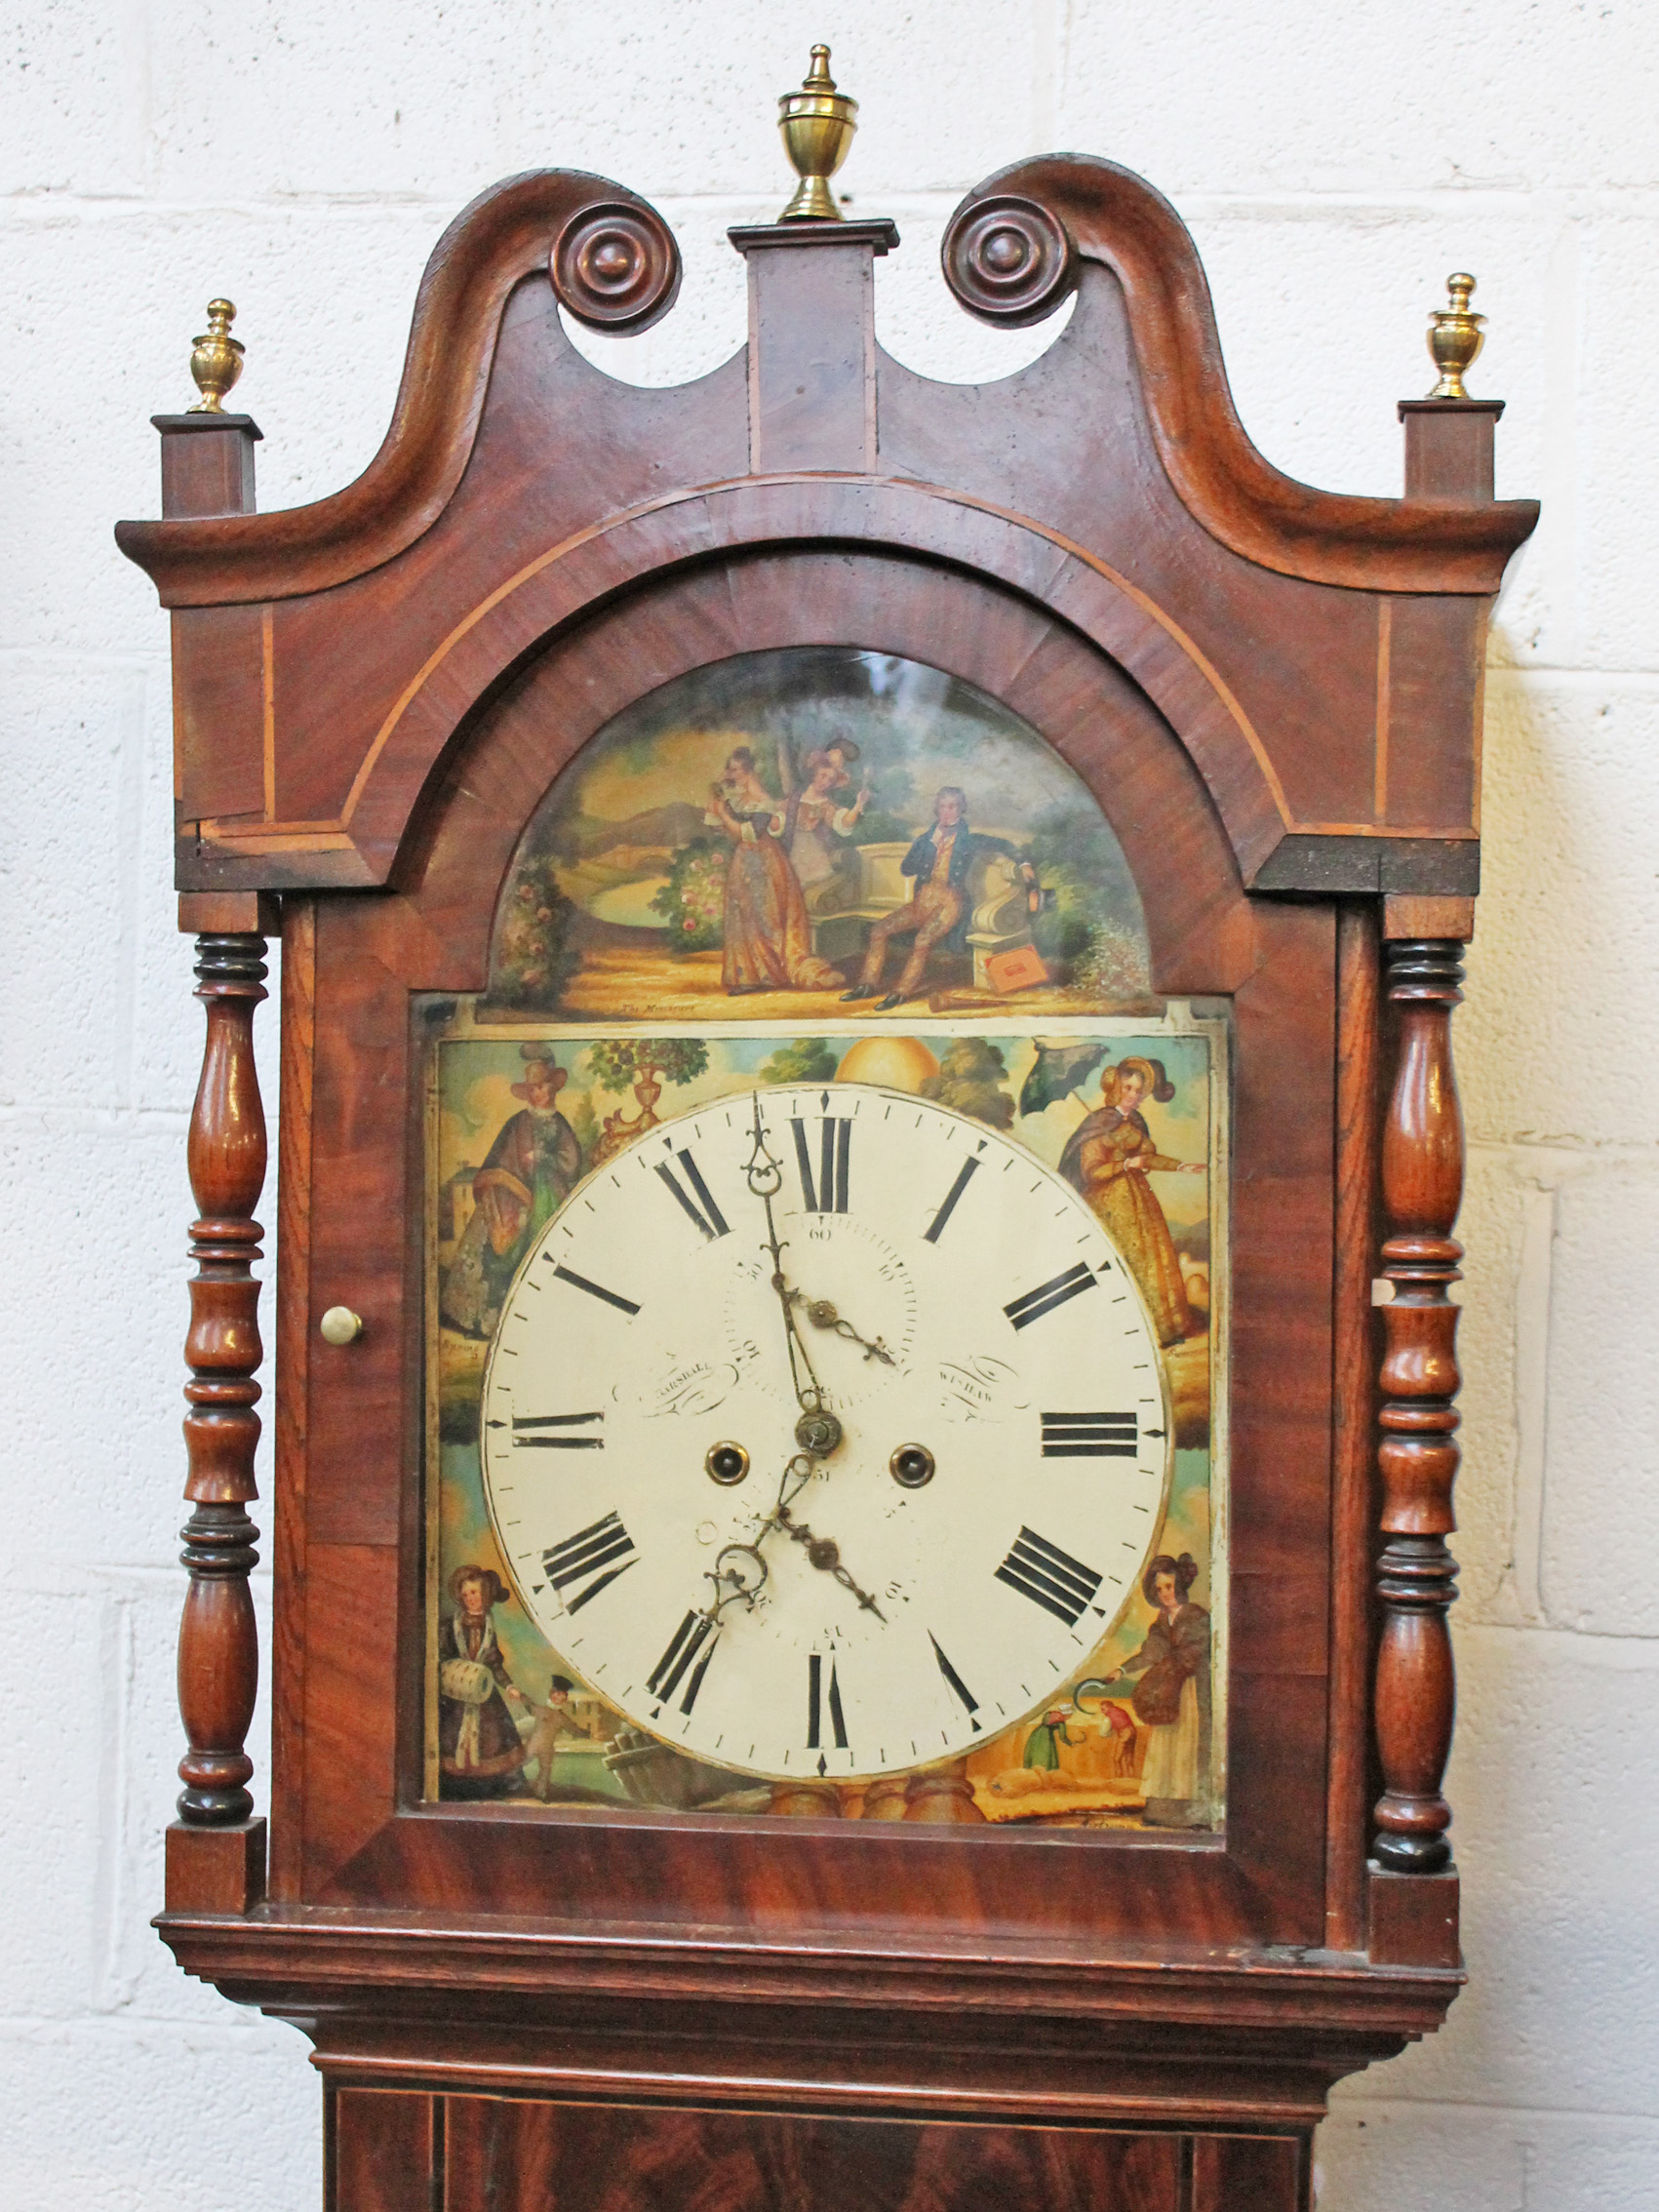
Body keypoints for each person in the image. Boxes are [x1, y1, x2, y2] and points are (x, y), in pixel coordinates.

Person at [842, 785, 1039, 1010]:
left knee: (922, 940)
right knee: (878, 931)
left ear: (961, 808)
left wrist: (1023, 864)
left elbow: (1004, 845)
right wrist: (930, 844)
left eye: (953, 806)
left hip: (950, 903)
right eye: (943, 806)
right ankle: (866, 985)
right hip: (923, 900)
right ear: (937, 809)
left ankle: (901, 992)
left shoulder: (969, 840)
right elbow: (907, 869)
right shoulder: (927, 839)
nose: (948, 811)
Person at [1057, 1056, 1204, 1347]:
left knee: (1150, 1262)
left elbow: (1146, 1159)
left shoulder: (1135, 1123)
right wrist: (1124, 1165)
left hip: (1139, 1203)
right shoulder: (1097, 1124)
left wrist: (1179, 1166)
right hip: (1107, 1206)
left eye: (1139, 1091)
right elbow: (1092, 1172)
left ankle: (1158, 1331)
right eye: (1128, 1088)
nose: (1134, 1096)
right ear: (1116, 1087)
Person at [440, 1049, 581, 1337]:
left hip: (548, 1195)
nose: (539, 1093)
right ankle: (484, 1321)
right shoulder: (516, 1122)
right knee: (495, 1245)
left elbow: (571, 1160)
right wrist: (516, 1174)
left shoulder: (559, 1124)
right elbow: (498, 1161)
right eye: (533, 1088)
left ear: (553, 1089)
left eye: (543, 1087)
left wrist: (544, 1158)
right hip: (511, 1195)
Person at [705, 746, 844, 995]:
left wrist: (724, 815)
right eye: (730, 769)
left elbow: (749, 833)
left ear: (747, 772)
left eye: (735, 769)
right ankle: (746, 976)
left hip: (765, 861)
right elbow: (718, 827)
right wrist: (718, 802)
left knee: (763, 917)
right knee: (742, 915)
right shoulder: (738, 799)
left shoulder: (763, 801)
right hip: (744, 861)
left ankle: (769, 973)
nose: (730, 773)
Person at [1088, 1555, 1211, 1828]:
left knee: (1186, 1746)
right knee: (1165, 1744)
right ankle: (1161, 1807)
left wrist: (1170, 1667)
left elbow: (1195, 1652)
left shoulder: (1196, 1616)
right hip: (1168, 1690)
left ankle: (1189, 1809)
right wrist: (1121, 1670)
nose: (1165, 1594)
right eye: (1159, 1589)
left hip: (1190, 1692)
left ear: (1178, 1584)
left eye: (1169, 1586)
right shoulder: (1161, 1622)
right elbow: (1150, 1653)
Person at [438, 1565, 532, 1798]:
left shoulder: (489, 1627)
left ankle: (499, 1783)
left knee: (495, 1736)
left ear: (486, 1596)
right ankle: (456, 1784)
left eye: (475, 1593)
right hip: (457, 1692)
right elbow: (442, 1656)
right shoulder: (450, 1626)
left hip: (484, 1690)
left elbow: (494, 1663)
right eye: (467, 1593)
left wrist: (509, 1685)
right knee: (451, 1735)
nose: (471, 1598)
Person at [783, 743, 870, 901]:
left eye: (830, 779)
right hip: (791, 855)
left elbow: (844, 823)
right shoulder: (793, 800)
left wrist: (858, 805)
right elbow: (776, 820)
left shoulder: (826, 805)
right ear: (813, 774)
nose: (826, 782)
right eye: (823, 776)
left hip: (814, 858)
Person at [1022, 1704, 1083, 1772]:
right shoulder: (1061, 1722)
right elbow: (1062, 1737)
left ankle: (1031, 1771)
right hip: (1046, 1737)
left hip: (1036, 1733)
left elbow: (1045, 1721)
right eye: (1070, 1714)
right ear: (1067, 1714)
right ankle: (1046, 1773)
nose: (1070, 1716)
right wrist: (1070, 1743)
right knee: (1047, 1754)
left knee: (1034, 1751)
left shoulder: (1050, 1714)